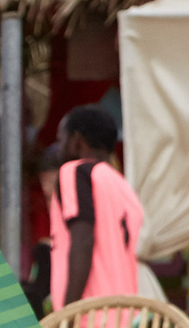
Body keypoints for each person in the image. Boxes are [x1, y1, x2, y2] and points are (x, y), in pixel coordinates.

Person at [48, 105, 145, 312]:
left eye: (60, 139)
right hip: (124, 315)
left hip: (89, 319)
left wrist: (68, 313)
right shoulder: (122, 185)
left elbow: (82, 240)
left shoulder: (75, 172)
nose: (59, 147)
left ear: (76, 141)